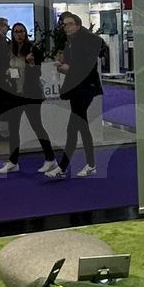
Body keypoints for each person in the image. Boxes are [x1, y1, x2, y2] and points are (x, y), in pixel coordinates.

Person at [50, 10, 103, 180]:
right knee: (80, 126)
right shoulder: (71, 42)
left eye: (70, 24)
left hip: (85, 88)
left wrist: (69, 68)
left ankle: (64, 167)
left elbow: (87, 65)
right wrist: (63, 64)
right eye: (64, 25)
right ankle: (88, 165)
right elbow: (73, 64)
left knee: (74, 127)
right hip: (77, 88)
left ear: (78, 25)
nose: (66, 27)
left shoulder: (88, 40)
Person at [0, 21, 54, 174]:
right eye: (16, 32)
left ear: (25, 33)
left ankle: (50, 159)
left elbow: (38, 73)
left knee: (37, 126)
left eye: (21, 31)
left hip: (31, 95)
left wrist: (31, 63)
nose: (19, 34)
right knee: (13, 128)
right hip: (16, 94)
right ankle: (13, 162)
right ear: (12, 34)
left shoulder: (33, 50)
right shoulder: (10, 50)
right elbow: (8, 70)